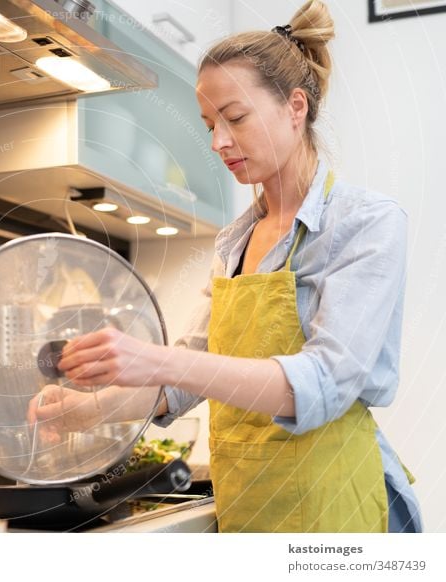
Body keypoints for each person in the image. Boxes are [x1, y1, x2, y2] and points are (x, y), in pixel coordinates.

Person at [28, 0, 422, 533]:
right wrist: (88, 410)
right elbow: (191, 374)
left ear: (295, 108)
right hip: (250, 507)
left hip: (335, 508)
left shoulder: (367, 223)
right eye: (210, 123)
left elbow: (324, 382)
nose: (218, 142)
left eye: (235, 118)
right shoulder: (234, 241)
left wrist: (156, 360)